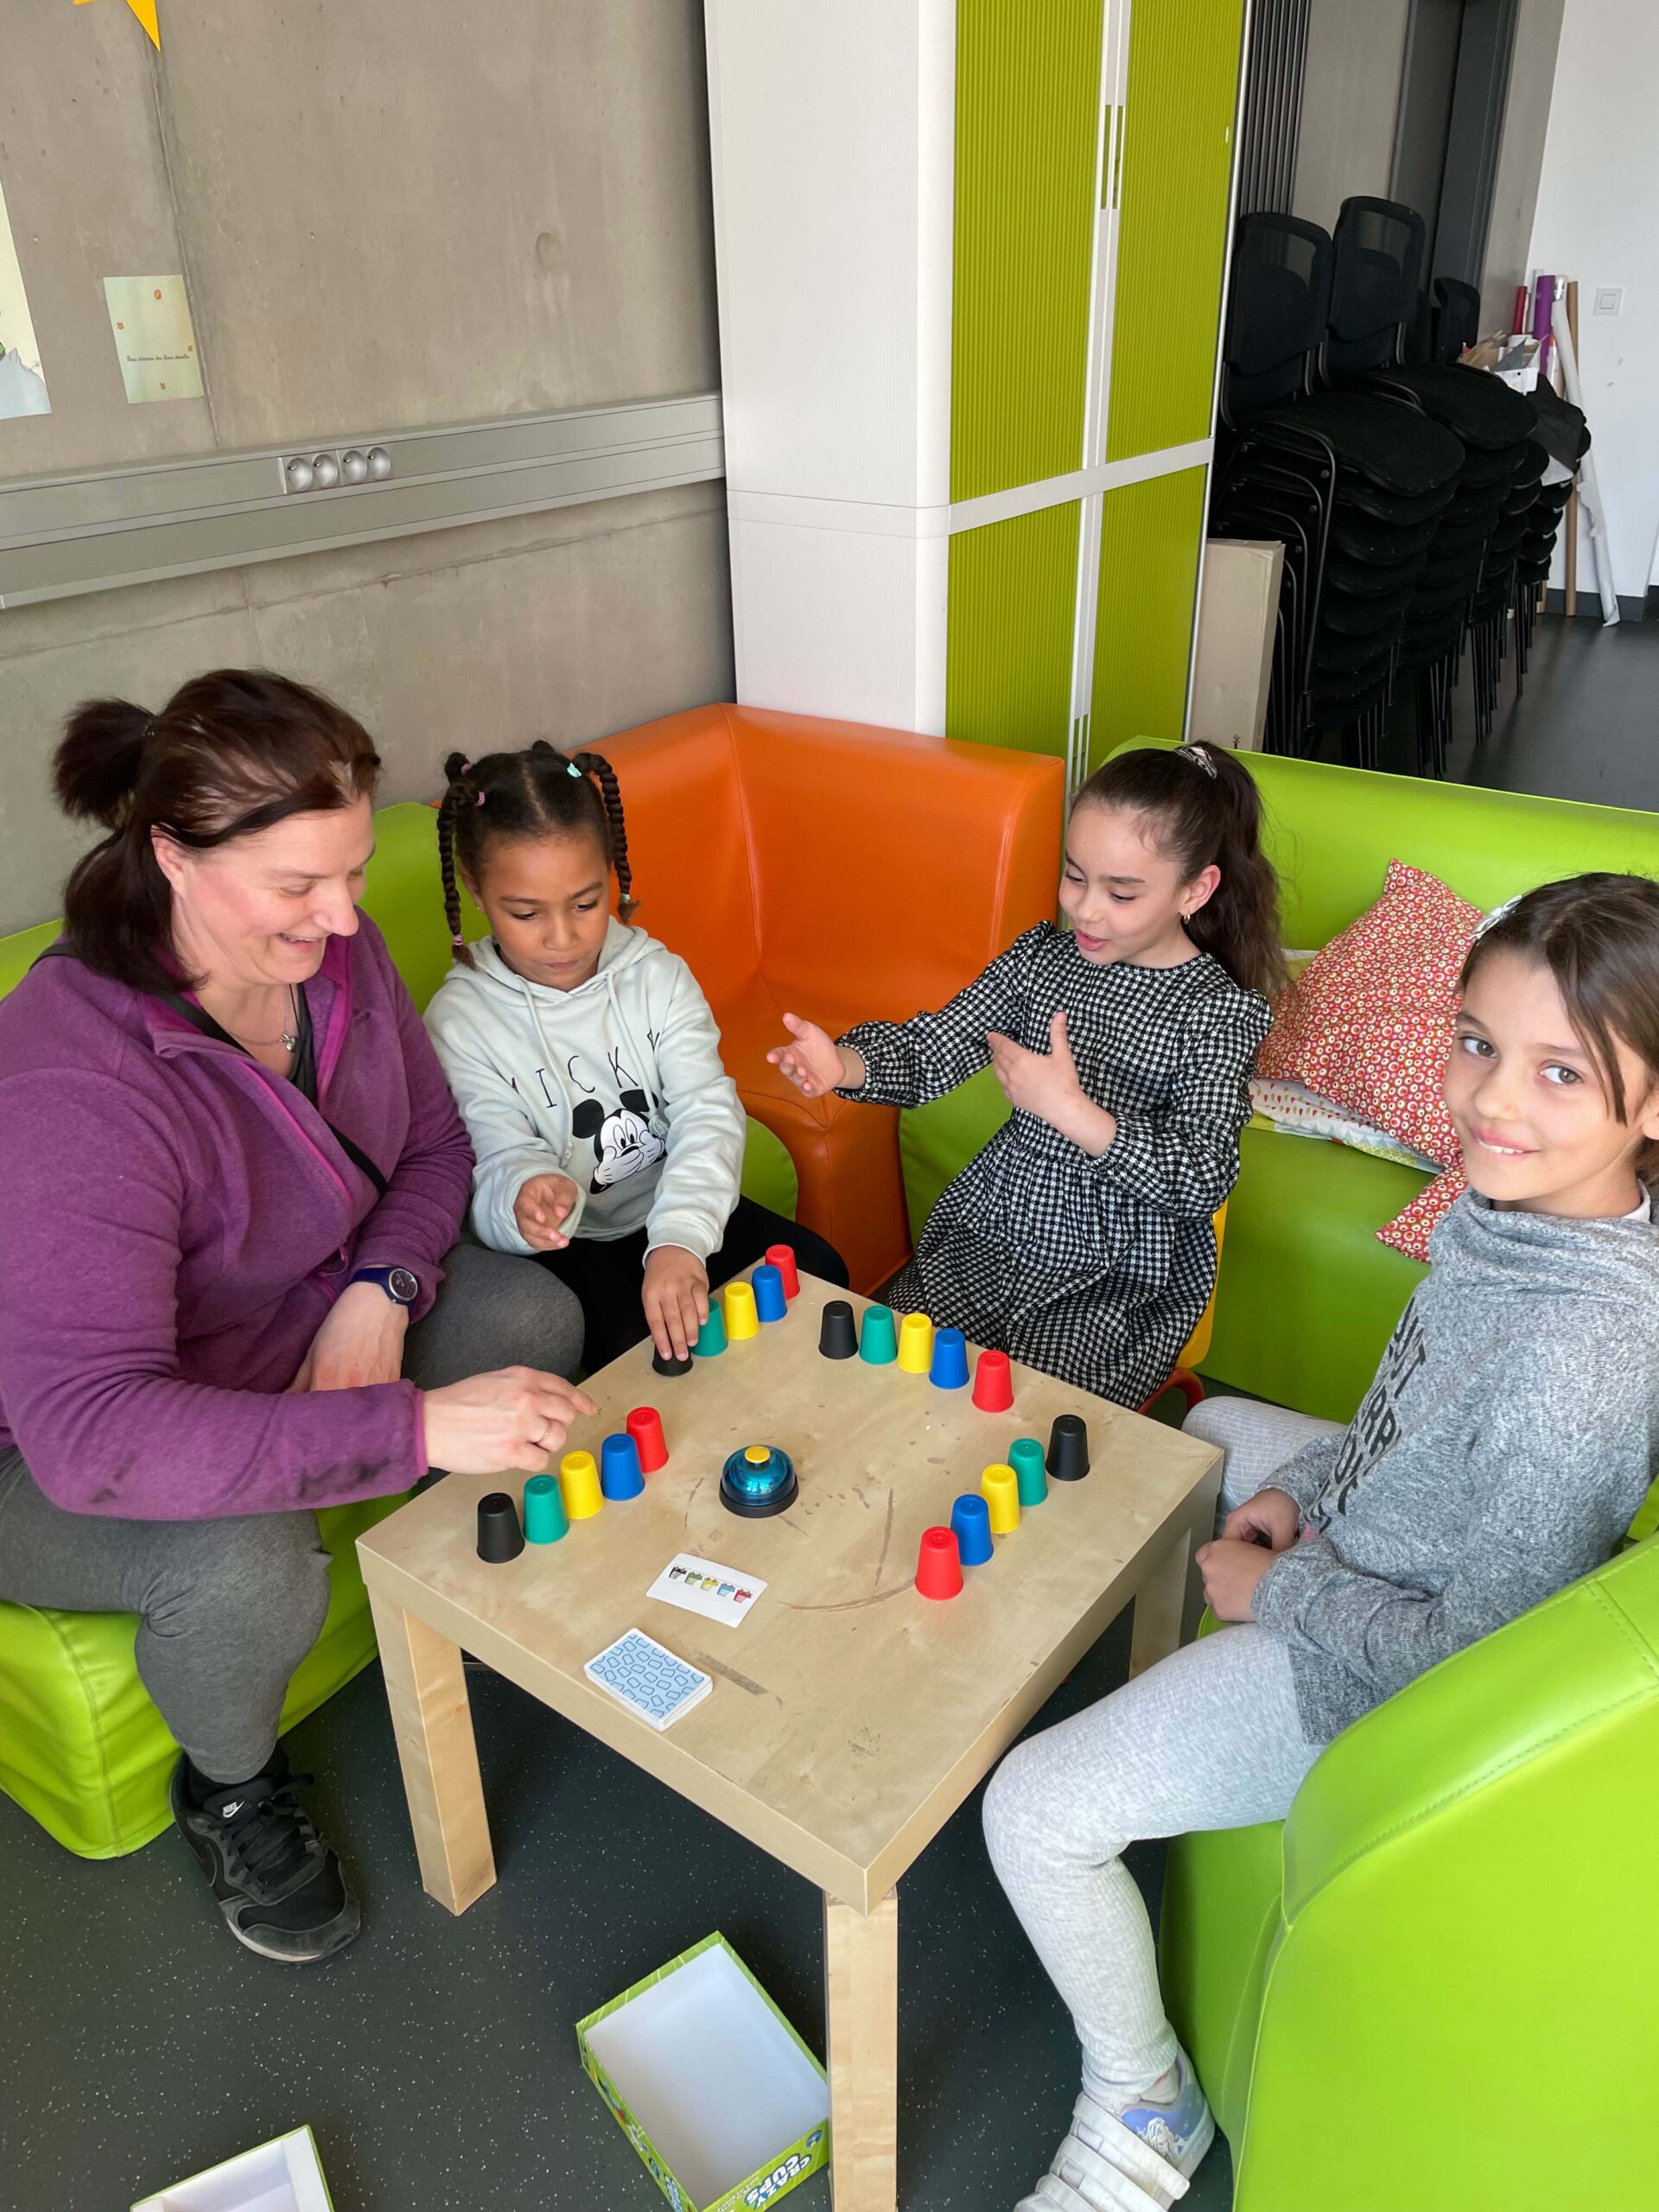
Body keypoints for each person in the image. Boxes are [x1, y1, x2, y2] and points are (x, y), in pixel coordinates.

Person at [982, 873, 1659, 2211]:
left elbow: (1468, 1663)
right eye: (1477, 1044)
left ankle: (1142, 2103)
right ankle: (1168, 1685)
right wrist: (1319, 1486)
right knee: (1221, 1424)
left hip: (1373, 1665)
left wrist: (1278, 1587)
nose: (1489, 1103)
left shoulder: (1580, 1363)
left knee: (1033, 1810)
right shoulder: (1525, 1210)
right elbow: (1406, 1403)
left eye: (1560, 1075)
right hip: (1371, 1532)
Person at [0, 671, 592, 1967]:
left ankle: (447, 1606)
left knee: (531, 1319)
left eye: (353, 871)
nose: (344, 917)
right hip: (61, 1444)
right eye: (297, 889)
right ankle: (226, 1788)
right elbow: (95, 1433)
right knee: (240, 1563)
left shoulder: (336, 956)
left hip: (294, 1317)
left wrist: (380, 1298)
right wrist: (413, 1422)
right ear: (169, 854)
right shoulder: (72, 1075)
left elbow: (433, 1151)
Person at [767, 742, 1282, 1407]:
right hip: (989, 1235)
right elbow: (934, 1047)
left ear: (1196, 889)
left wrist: (1072, 1110)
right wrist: (844, 1062)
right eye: (1075, 876)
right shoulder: (1040, 959)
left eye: (1122, 892)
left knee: (1025, 1423)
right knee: (884, 1378)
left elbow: (1201, 1176)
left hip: (1112, 1281)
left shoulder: (1217, 1012)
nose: (1086, 911)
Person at [423, 742, 848, 1373]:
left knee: (818, 1275)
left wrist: (678, 1241)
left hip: (670, 1207)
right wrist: (523, 1196)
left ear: (612, 875)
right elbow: (493, 1159)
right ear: (476, 892)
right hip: (571, 1245)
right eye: (526, 913)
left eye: (586, 904)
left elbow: (706, 1111)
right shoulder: (459, 1023)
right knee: (642, 1356)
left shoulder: (657, 977)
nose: (563, 938)